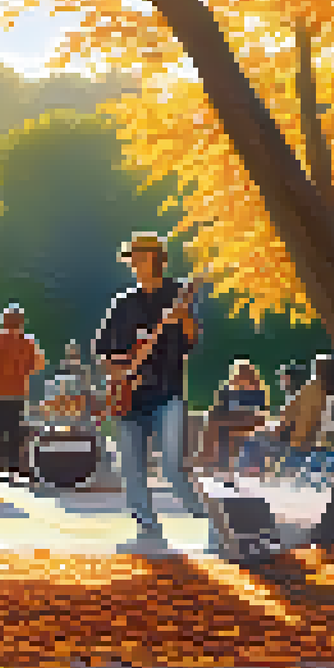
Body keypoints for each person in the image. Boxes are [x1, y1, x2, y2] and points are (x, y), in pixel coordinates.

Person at [94, 232, 217, 555]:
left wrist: (183, 317)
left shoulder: (178, 295)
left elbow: (191, 342)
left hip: (167, 392)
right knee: (132, 468)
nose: (135, 264)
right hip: (127, 396)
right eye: (132, 259)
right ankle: (147, 529)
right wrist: (118, 371)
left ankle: (215, 521)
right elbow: (104, 351)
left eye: (141, 257)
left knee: (173, 467)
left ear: (158, 260)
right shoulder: (123, 303)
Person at [0, 305, 46, 484]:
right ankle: (15, 470)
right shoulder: (28, 341)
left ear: (3, 321)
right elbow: (38, 365)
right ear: (21, 322)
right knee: (16, 433)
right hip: (18, 394)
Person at [195, 359, 269, 470]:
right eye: (239, 374)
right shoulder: (227, 391)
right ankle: (208, 456)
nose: (241, 377)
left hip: (246, 423)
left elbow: (261, 416)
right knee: (214, 420)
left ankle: (207, 457)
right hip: (229, 423)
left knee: (218, 423)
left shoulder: (257, 393)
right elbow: (217, 410)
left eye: (245, 374)